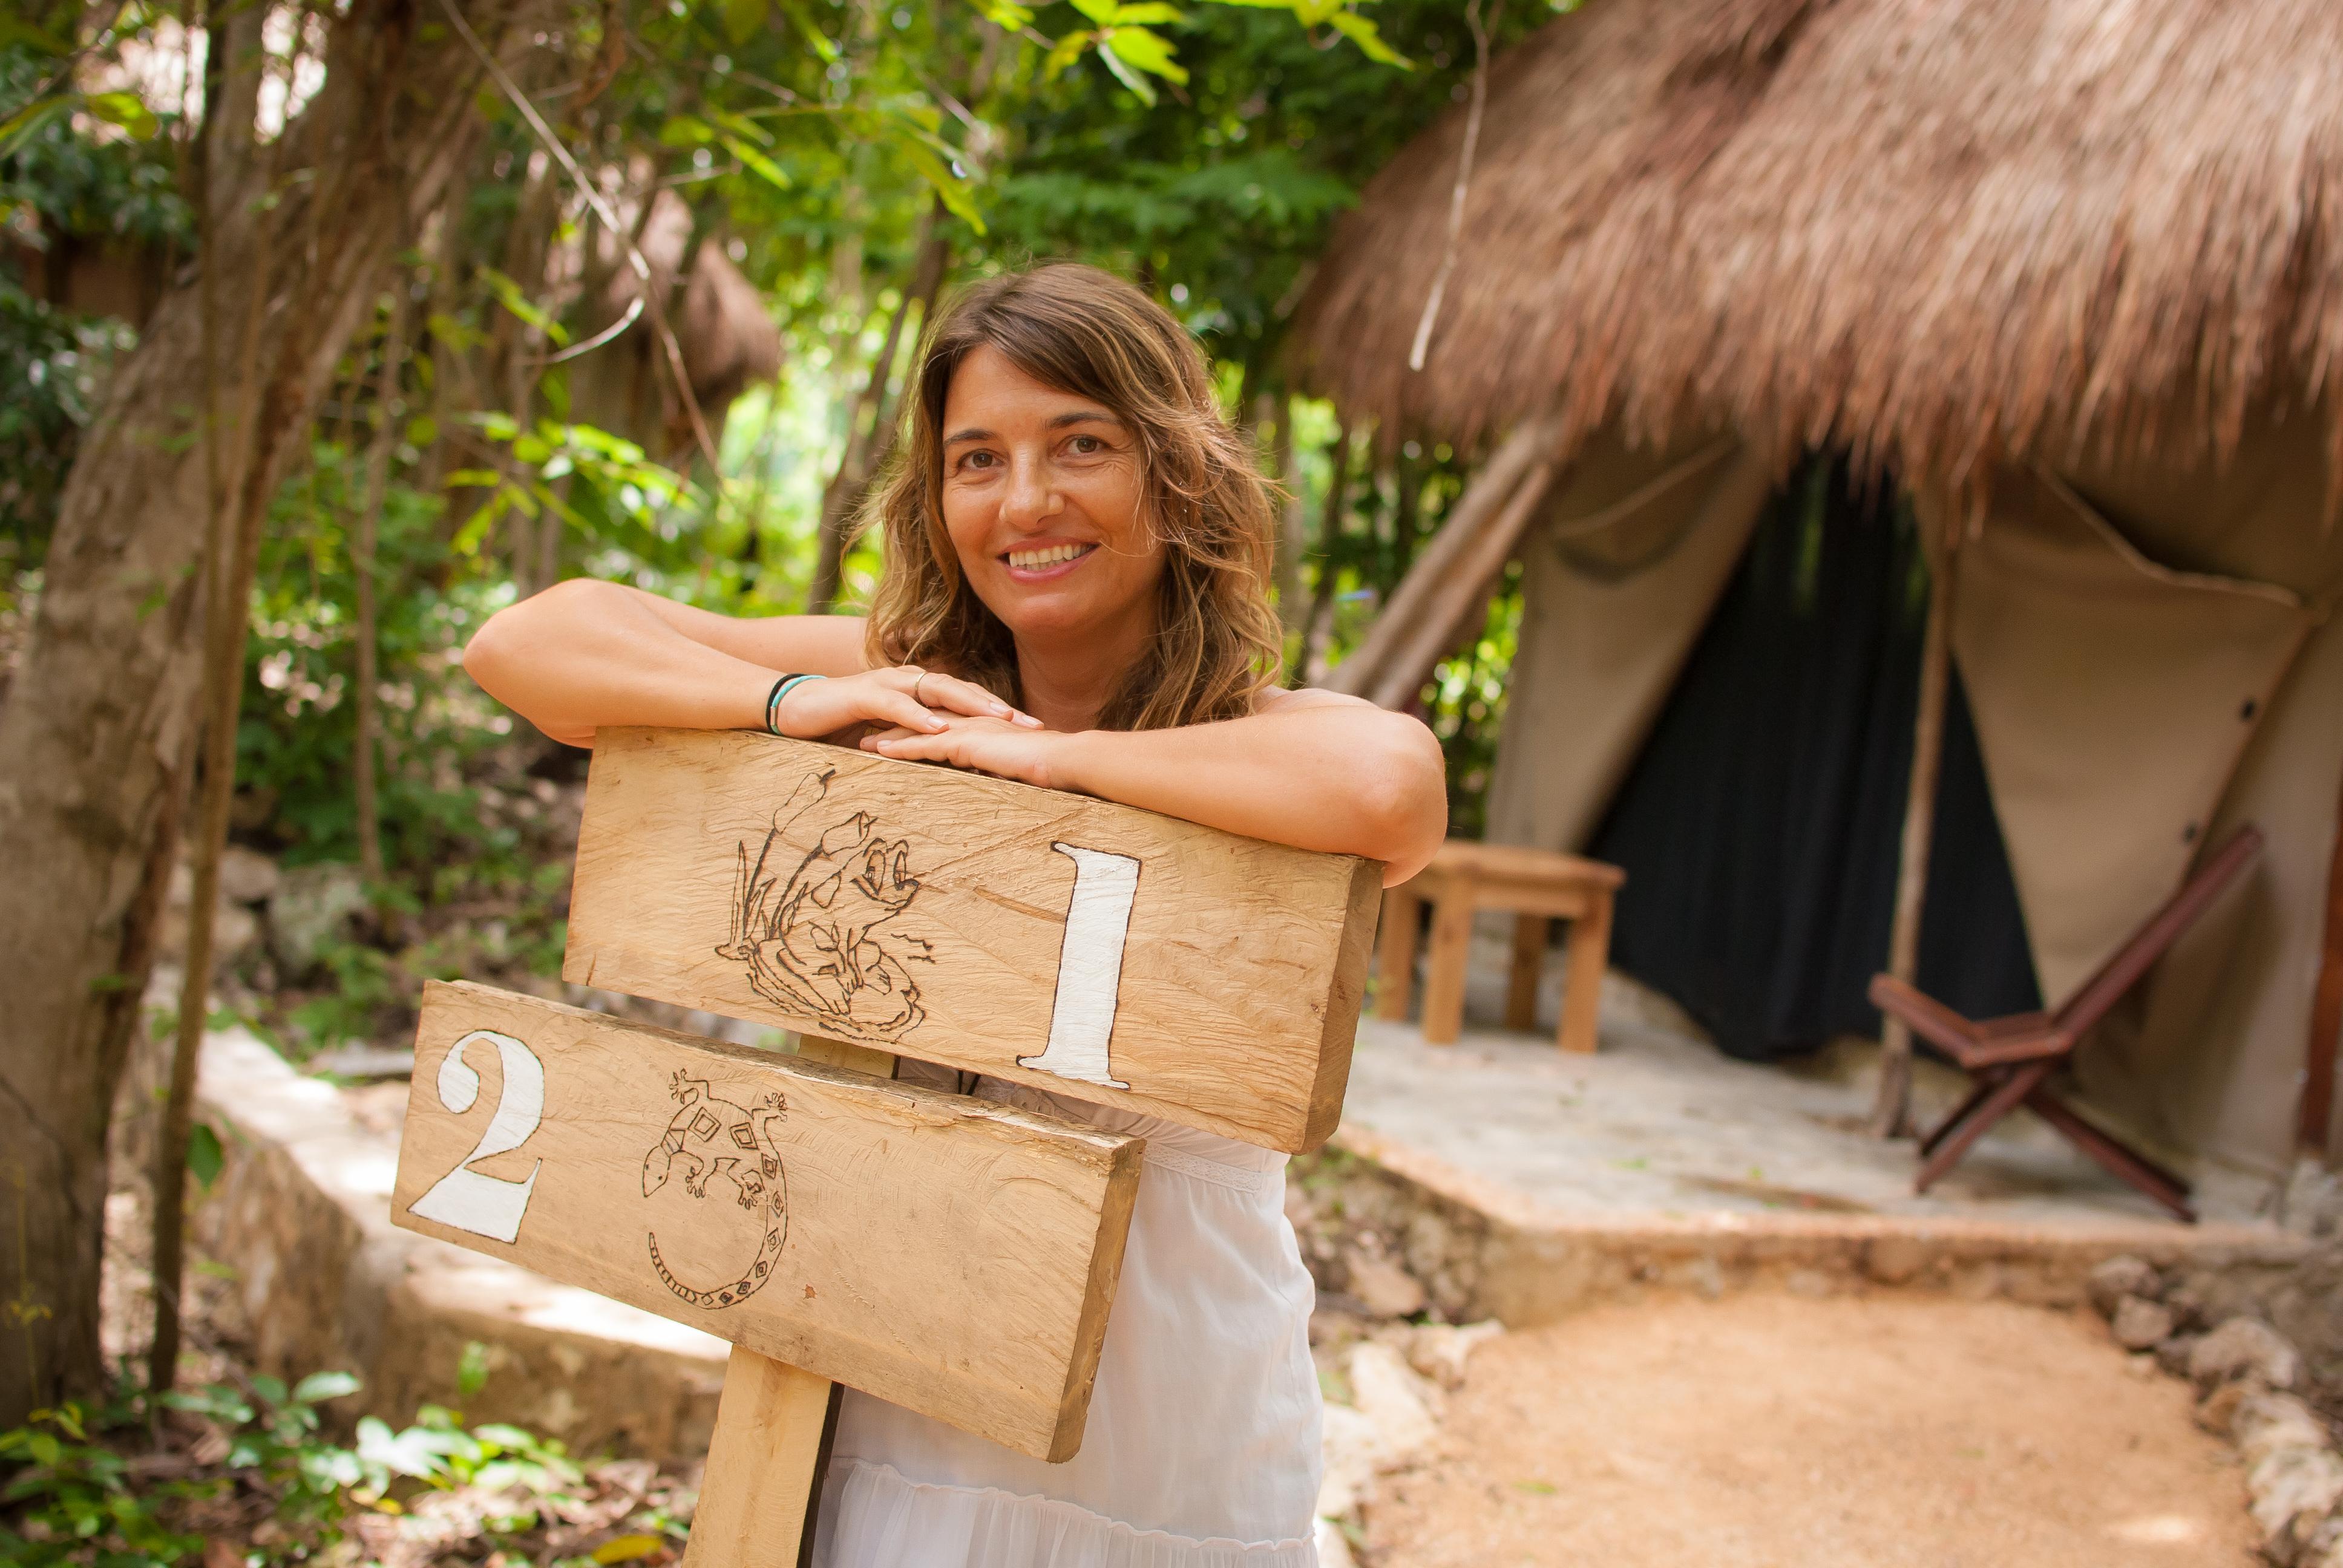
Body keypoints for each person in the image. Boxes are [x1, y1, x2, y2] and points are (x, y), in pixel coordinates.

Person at [463, 262, 1449, 1567]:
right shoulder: (905, 688)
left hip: (1169, 1445)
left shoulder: (1261, 745)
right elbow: (529, 640)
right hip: (886, 1421)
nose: (1025, 501)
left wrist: (1051, 763)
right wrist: (786, 706)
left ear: (1178, 472)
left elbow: (1392, 790)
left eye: (1080, 445)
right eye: (976, 459)